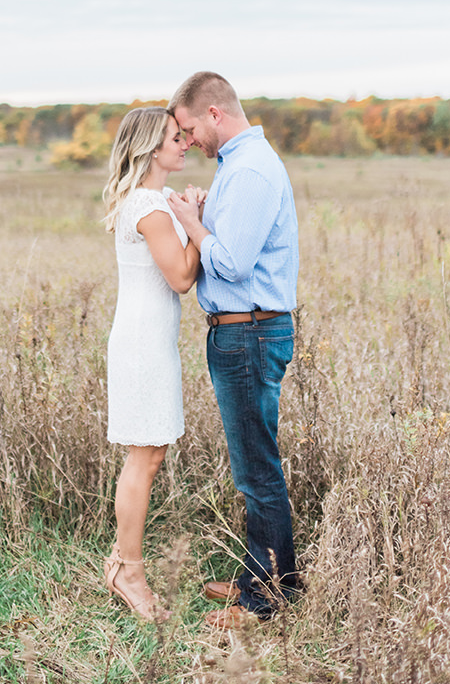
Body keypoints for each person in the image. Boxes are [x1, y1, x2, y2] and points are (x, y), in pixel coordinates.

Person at [166, 71, 300, 631]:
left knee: (256, 471)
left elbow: (230, 263)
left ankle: (264, 603)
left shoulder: (249, 170)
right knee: (254, 463)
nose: (189, 139)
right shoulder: (235, 168)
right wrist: (203, 215)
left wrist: (193, 224)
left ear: (215, 113)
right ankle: (264, 578)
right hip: (240, 330)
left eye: (190, 126)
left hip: (249, 332)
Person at [102, 106, 204, 620]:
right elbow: (182, 278)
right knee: (144, 457)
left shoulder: (155, 200)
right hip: (142, 345)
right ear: (149, 149)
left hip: (148, 340)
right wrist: (199, 226)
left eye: (184, 135)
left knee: (148, 453)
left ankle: (123, 560)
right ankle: (129, 572)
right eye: (174, 137)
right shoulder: (149, 205)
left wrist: (185, 215)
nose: (185, 143)